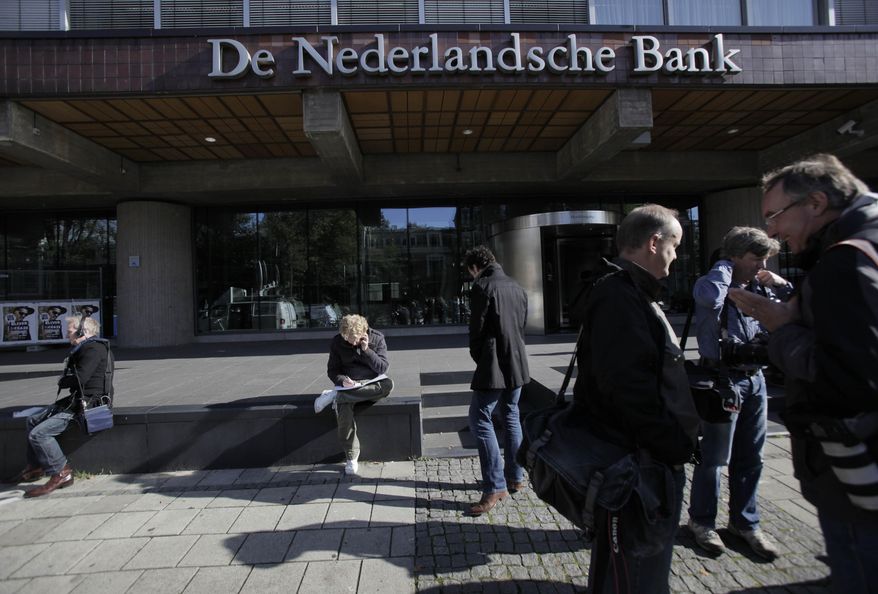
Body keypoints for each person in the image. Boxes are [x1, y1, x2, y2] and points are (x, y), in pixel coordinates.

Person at [729, 154, 878, 592]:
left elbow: (851, 378)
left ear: (815, 201)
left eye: (775, 215)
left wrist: (783, 329)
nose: (772, 231)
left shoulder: (847, 262)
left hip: (858, 470)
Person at [573, 204, 699, 593]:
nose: (676, 257)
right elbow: (627, 389)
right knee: (638, 574)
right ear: (653, 242)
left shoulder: (628, 290)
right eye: (674, 246)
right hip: (638, 465)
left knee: (624, 568)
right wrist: (674, 444)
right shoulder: (620, 295)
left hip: (639, 457)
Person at [688, 226, 790, 560]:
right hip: (722, 380)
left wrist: (778, 285)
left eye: (765, 258)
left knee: (752, 457)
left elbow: (787, 314)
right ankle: (702, 522)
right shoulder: (712, 282)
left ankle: (745, 524)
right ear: (734, 256)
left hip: (755, 379)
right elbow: (709, 299)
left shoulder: (760, 285)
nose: (761, 264)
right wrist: (725, 268)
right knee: (715, 459)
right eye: (755, 258)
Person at [4, 314, 113, 497]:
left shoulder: (93, 349)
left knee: (39, 434)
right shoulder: (89, 347)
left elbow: (81, 378)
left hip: (87, 406)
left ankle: (62, 472)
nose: (67, 334)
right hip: (78, 400)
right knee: (33, 420)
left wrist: (64, 379)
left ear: (82, 331)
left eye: (69, 331)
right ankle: (36, 466)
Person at [464, 245, 530, 516]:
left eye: (470, 272)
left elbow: (476, 330)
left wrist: (479, 356)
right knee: (511, 415)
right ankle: (515, 477)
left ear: (475, 267)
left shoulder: (482, 286)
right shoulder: (517, 286)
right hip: (517, 360)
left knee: (480, 418)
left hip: (494, 363)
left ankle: (494, 486)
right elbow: (522, 324)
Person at [313, 314, 393, 476]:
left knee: (388, 385)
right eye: (347, 338)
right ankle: (351, 456)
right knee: (344, 410)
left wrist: (366, 350)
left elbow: (382, 368)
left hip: (372, 383)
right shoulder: (337, 342)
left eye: (354, 338)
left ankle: (336, 395)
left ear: (364, 332)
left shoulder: (377, 338)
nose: (351, 342)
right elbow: (333, 371)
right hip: (350, 385)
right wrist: (342, 381)